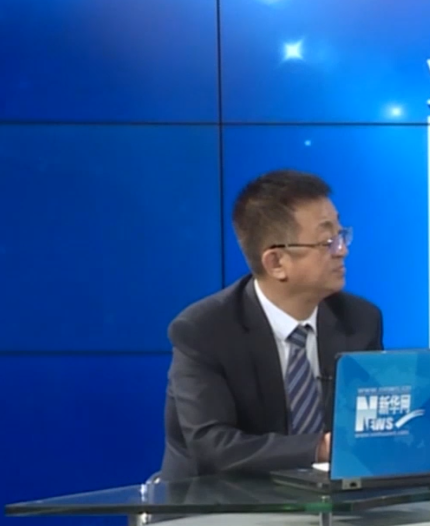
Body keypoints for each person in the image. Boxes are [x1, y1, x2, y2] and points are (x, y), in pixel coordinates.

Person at [159, 169, 383, 481]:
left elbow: (371, 423)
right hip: (218, 501)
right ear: (276, 262)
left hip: (327, 501)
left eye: (341, 234)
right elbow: (213, 447)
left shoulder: (360, 320)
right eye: (327, 241)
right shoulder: (202, 330)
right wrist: (319, 448)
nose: (342, 250)